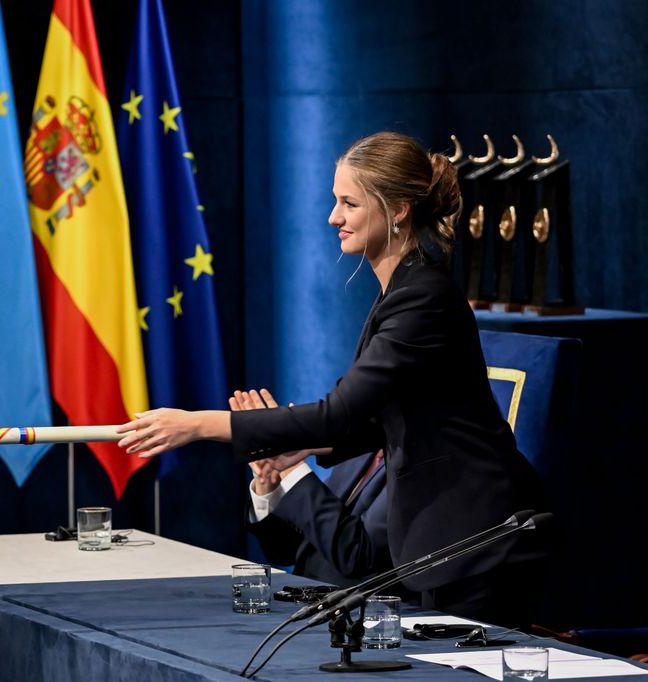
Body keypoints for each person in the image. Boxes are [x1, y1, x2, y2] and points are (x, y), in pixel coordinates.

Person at [119, 131, 547, 627]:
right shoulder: (402, 291)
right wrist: (298, 447)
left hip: (477, 542)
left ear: (399, 209)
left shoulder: (423, 298)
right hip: (447, 546)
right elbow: (373, 422)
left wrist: (198, 426)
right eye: (334, 201)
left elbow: (341, 413)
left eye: (349, 203)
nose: (333, 217)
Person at [233, 389, 392, 588]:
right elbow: (288, 550)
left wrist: (289, 466)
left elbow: (355, 553)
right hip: (303, 603)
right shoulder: (357, 446)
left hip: (369, 612)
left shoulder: (420, 462)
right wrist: (269, 484)